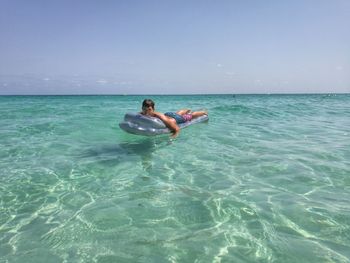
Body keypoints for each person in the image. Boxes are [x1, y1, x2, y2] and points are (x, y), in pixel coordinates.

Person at [140, 99, 207, 138]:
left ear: (153, 109)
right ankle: (186, 110)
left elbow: (176, 129)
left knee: (190, 116)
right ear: (142, 108)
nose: (146, 112)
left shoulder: (160, 116)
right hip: (168, 114)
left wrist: (173, 137)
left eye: (149, 109)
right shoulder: (142, 113)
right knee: (177, 114)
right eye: (144, 109)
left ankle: (203, 112)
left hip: (177, 120)